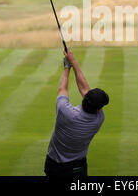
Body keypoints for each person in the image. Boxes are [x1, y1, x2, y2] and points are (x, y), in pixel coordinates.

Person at [44, 49, 109, 177]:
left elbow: (63, 88)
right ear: (98, 108)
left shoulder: (66, 112)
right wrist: (72, 62)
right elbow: (84, 89)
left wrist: (67, 66)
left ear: (85, 99)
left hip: (55, 166)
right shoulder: (99, 118)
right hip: (78, 167)